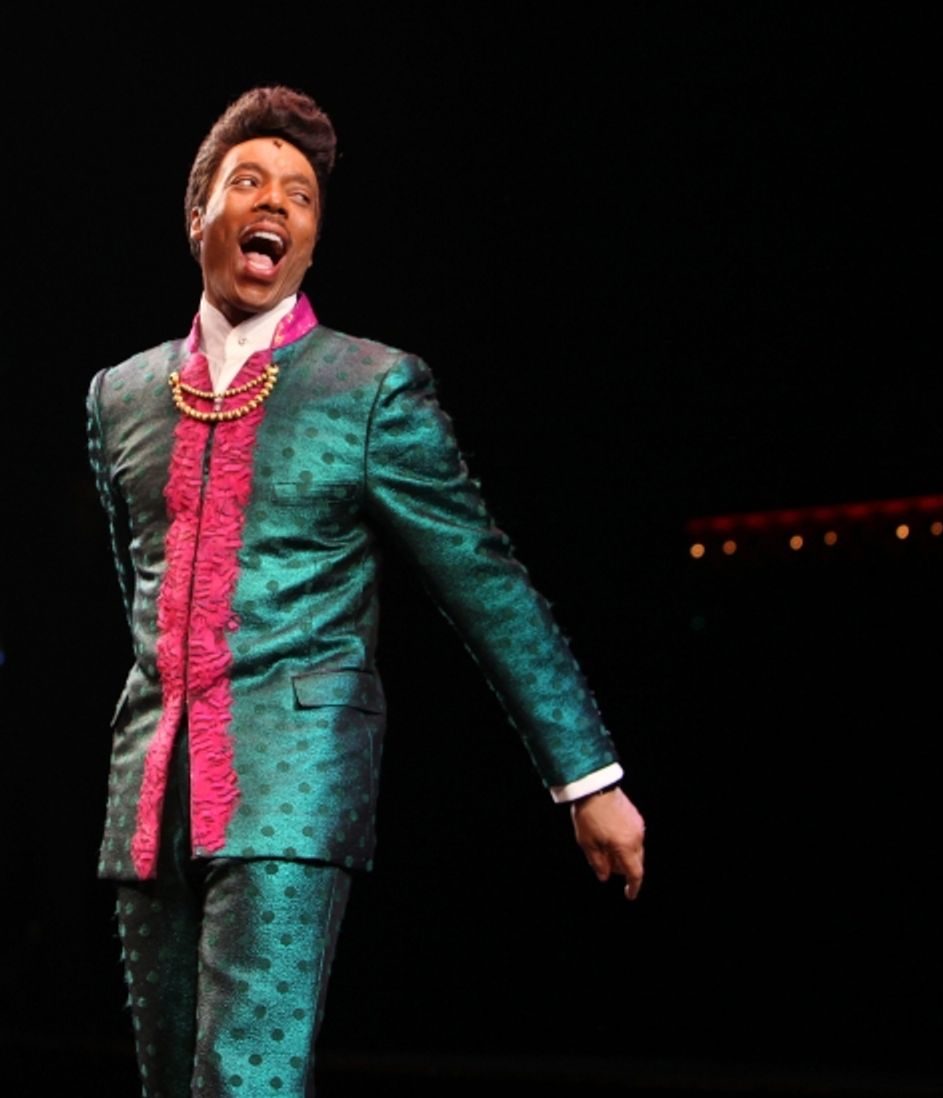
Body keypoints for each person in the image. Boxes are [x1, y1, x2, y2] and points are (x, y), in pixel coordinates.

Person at [86, 85, 645, 1098]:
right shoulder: (121, 395)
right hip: (149, 797)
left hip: (292, 789)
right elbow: (142, 596)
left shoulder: (370, 386)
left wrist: (586, 777)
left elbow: (484, 579)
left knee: (244, 1083)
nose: (275, 203)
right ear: (198, 215)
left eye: (300, 195)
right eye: (248, 182)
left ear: (310, 243)